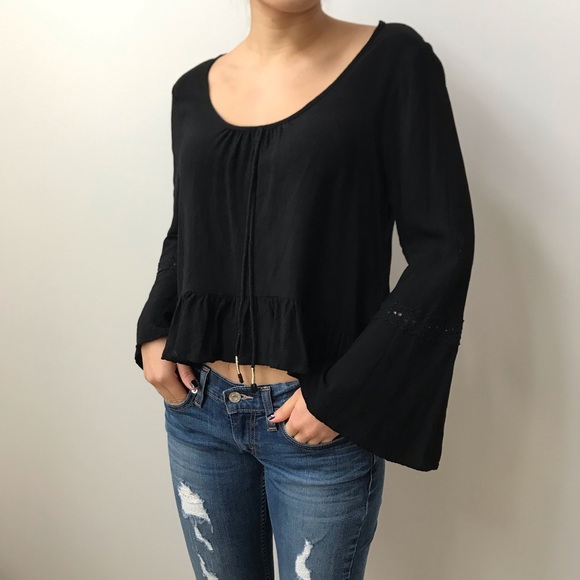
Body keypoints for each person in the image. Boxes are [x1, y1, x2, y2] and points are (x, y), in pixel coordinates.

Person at [134, 2, 475, 578]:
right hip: (198, 413)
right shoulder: (190, 90)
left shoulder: (394, 62)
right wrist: (155, 329)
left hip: (316, 421)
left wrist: (345, 394)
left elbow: (444, 250)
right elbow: (188, 228)